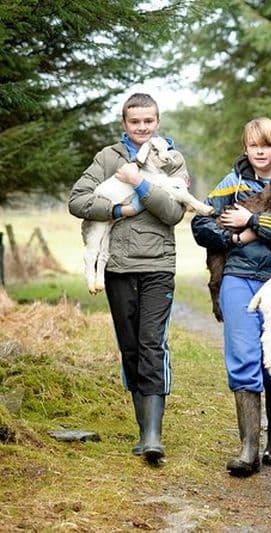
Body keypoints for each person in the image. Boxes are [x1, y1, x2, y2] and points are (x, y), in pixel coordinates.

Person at [68, 93, 189, 465]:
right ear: (125, 123)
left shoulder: (171, 157)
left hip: (157, 266)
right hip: (117, 268)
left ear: (157, 121)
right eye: (135, 122)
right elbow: (77, 200)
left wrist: (140, 184)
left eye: (148, 121)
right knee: (131, 347)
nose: (142, 128)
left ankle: (154, 435)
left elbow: (172, 212)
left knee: (153, 345)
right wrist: (121, 209)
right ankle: (142, 431)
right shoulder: (107, 158)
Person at [191, 117, 271, 476]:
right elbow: (201, 223)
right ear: (245, 148)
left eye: (267, 144)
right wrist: (234, 239)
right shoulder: (231, 183)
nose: (260, 151)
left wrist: (252, 223)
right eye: (253, 145)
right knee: (243, 356)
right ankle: (248, 448)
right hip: (236, 277)